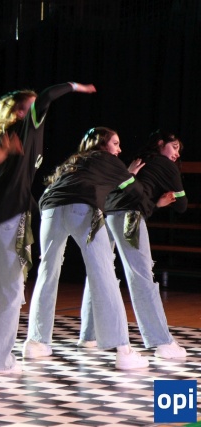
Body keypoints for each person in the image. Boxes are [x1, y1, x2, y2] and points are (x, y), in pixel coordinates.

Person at [0, 82, 96, 373]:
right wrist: (76, 87)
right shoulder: (25, 129)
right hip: (7, 220)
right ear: (20, 112)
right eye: (33, 106)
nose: (41, 111)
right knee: (11, 291)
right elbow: (48, 96)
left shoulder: (2, 138)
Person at [23, 127, 150, 370]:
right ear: (102, 144)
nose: (119, 149)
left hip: (49, 208)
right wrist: (130, 176)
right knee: (103, 273)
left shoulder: (75, 161)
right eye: (115, 143)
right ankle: (123, 350)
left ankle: (36, 342)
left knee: (47, 272)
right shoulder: (108, 160)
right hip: (81, 208)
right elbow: (135, 192)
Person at [78, 129, 187, 358]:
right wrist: (164, 200)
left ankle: (89, 335)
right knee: (140, 274)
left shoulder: (139, 161)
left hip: (106, 213)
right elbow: (181, 204)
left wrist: (155, 204)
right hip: (129, 216)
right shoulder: (166, 165)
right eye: (174, 147)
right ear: (161, 144)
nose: (177, 153)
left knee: (100, 271)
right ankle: (162, 342)